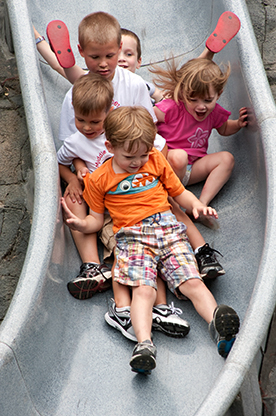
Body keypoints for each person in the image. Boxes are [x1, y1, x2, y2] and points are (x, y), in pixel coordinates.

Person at [37, 12, 226, 295]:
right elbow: (69, 146)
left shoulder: (134, 85)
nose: (103, 64)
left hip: (136, 173)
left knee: (165, 198)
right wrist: (74, 175)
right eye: (95, 57)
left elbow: (149, 133)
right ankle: (92, 266)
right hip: (101, 179)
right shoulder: (75, 96)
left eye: (110, 56)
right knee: (71, 197)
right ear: (82, 55)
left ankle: (199, 250)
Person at [61, 106, 240, 374]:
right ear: (110, 146)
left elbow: (179, 194)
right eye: (130, 156)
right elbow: (97, 220)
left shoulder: (155, 160)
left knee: (192, 281)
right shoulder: (99, 179)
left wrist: (197, 206)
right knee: (144, 290)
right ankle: (144, 344)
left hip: (168, 229)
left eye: (143, 155)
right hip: (132, 237)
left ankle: (218, 325)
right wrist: (81, 223)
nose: (137, 162)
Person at [57, 72, 191, 339]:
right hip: (104, 205)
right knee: (121, 240)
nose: (86, 126)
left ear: (109, 112)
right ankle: (99, 275)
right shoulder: (77, 141)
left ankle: (158, 307)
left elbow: (153, 155)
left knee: (147, 242)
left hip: (134, 206)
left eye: (94, 121)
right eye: (80, 120)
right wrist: (74, 177)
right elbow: (63, 160)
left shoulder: (122, 136)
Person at [152, 58, 248, 221]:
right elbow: (146, 116)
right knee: (179, 156)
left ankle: (200, 204)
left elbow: (223, 128)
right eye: (193, 100)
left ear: (218, 94)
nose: (201, 106)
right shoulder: (172, 108)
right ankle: (172, 199)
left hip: (193, 169)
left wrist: (238, 124)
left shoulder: (215, 112)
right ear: (182, 94)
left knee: (226, 159)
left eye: (207, 100)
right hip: (168, 167)